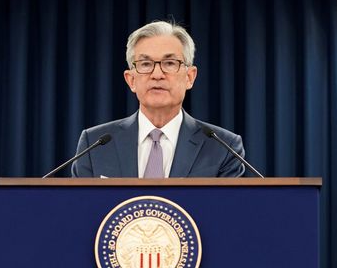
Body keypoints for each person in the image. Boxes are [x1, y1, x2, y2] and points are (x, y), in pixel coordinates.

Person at [71, 20, 246, 178]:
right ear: (131, 80)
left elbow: (227, 212)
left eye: (169, 63)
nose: (157, 74)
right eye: (145, 64)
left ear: (190, 77)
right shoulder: (94, 144)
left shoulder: (223, 147)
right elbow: (81, 209)